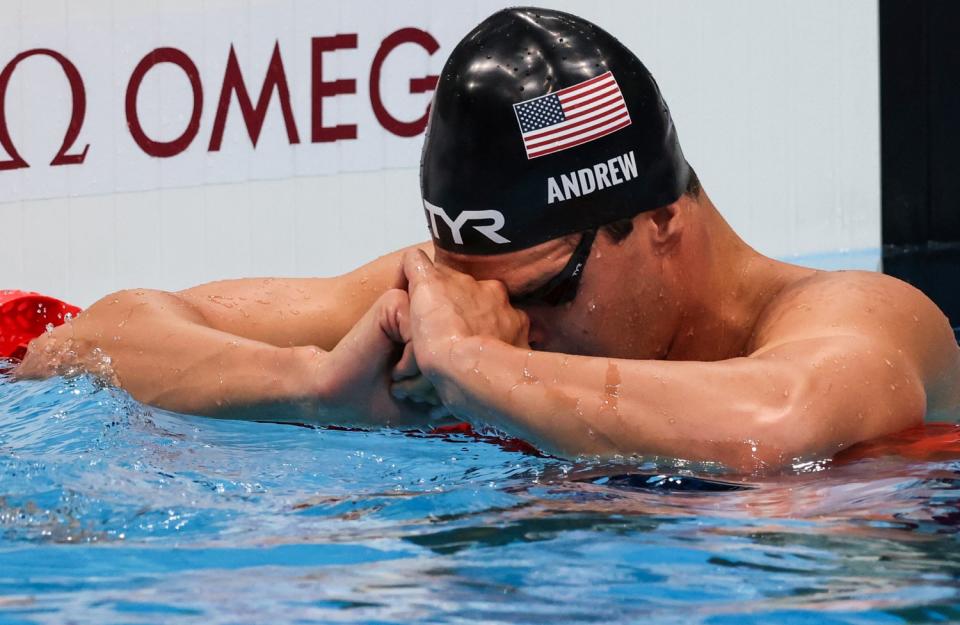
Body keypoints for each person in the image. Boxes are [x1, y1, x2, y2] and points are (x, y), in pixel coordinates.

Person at [17, 8, 960, 470]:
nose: (507, 323)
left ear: (665, 219)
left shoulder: (859, 310)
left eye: (544, 289)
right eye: (472, 290)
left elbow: (779, 423)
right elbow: (88, 342)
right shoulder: (468, 297)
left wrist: (470, 363)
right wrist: (312, 390)